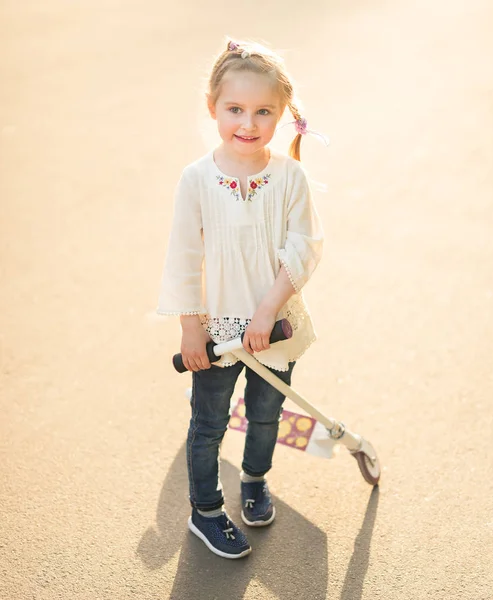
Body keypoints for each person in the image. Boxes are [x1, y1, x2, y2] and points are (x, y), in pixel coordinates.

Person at [157, 38, 325, 559]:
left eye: (263, 111)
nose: (247, 123)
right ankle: (205, 511)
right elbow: (184, 254)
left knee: (266, 410)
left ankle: (254, 480)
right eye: (234, 109)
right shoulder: (197, 180)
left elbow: (305, 246)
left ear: (282, 114)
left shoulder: (290, 178)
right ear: (212, 108)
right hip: (219, 331)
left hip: (273, 324)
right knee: (208, 422)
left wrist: (269, 309)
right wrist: (191, 327)